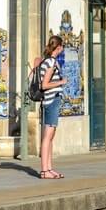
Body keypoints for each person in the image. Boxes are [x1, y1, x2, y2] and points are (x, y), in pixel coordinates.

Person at [38, 35, 67, 179]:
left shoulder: (47, 61)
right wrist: (61, 82)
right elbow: (45, 85)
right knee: (47, 136)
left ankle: (49, 168)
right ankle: (44, 170)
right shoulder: (51, 63)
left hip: (51, 101)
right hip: (51, 101)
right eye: (62, 47)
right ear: (59, 47)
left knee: (50, 136)